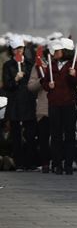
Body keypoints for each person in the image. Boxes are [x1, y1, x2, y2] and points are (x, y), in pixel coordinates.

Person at [40, 38, 77, 175]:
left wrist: (74, 75)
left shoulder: (75, 65)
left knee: (70, 134)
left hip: (69, 103)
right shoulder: (52, 65)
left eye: (57, 50)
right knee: (56, 135)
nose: (55, 52)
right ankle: (57, 164)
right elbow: (45, 83)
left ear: (64, 51)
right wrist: (48, 85)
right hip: (54, 104)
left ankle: (69, 164)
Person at [3, 35, 37, 170]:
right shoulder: (8, 65)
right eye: (16, 48)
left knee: (30, 134)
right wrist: (15, 79)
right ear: (11, 50)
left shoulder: (30, 64)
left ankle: (31, 162)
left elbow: (34, 82)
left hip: (28, 102)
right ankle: (19, 162)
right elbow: (7, 86)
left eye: (21, 48)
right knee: (16, 135)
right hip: (15, 104)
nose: (19, 51)